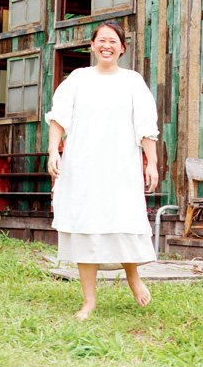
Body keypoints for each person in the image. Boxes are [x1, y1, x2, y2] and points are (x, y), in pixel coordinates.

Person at [45, 20, 159, 320]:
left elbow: (146, 125)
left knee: (122, 219)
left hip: (121, 164)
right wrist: (53, 151)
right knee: (86, 224)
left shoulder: (133, 81)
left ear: (122, 47)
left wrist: (153, 162)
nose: (107, 45)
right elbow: (59, 117)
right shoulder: (78, 79)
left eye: (114, 41)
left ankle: (133, 279)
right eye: (101, 40)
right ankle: (89, 301)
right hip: (82, 164)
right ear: (92, 45)